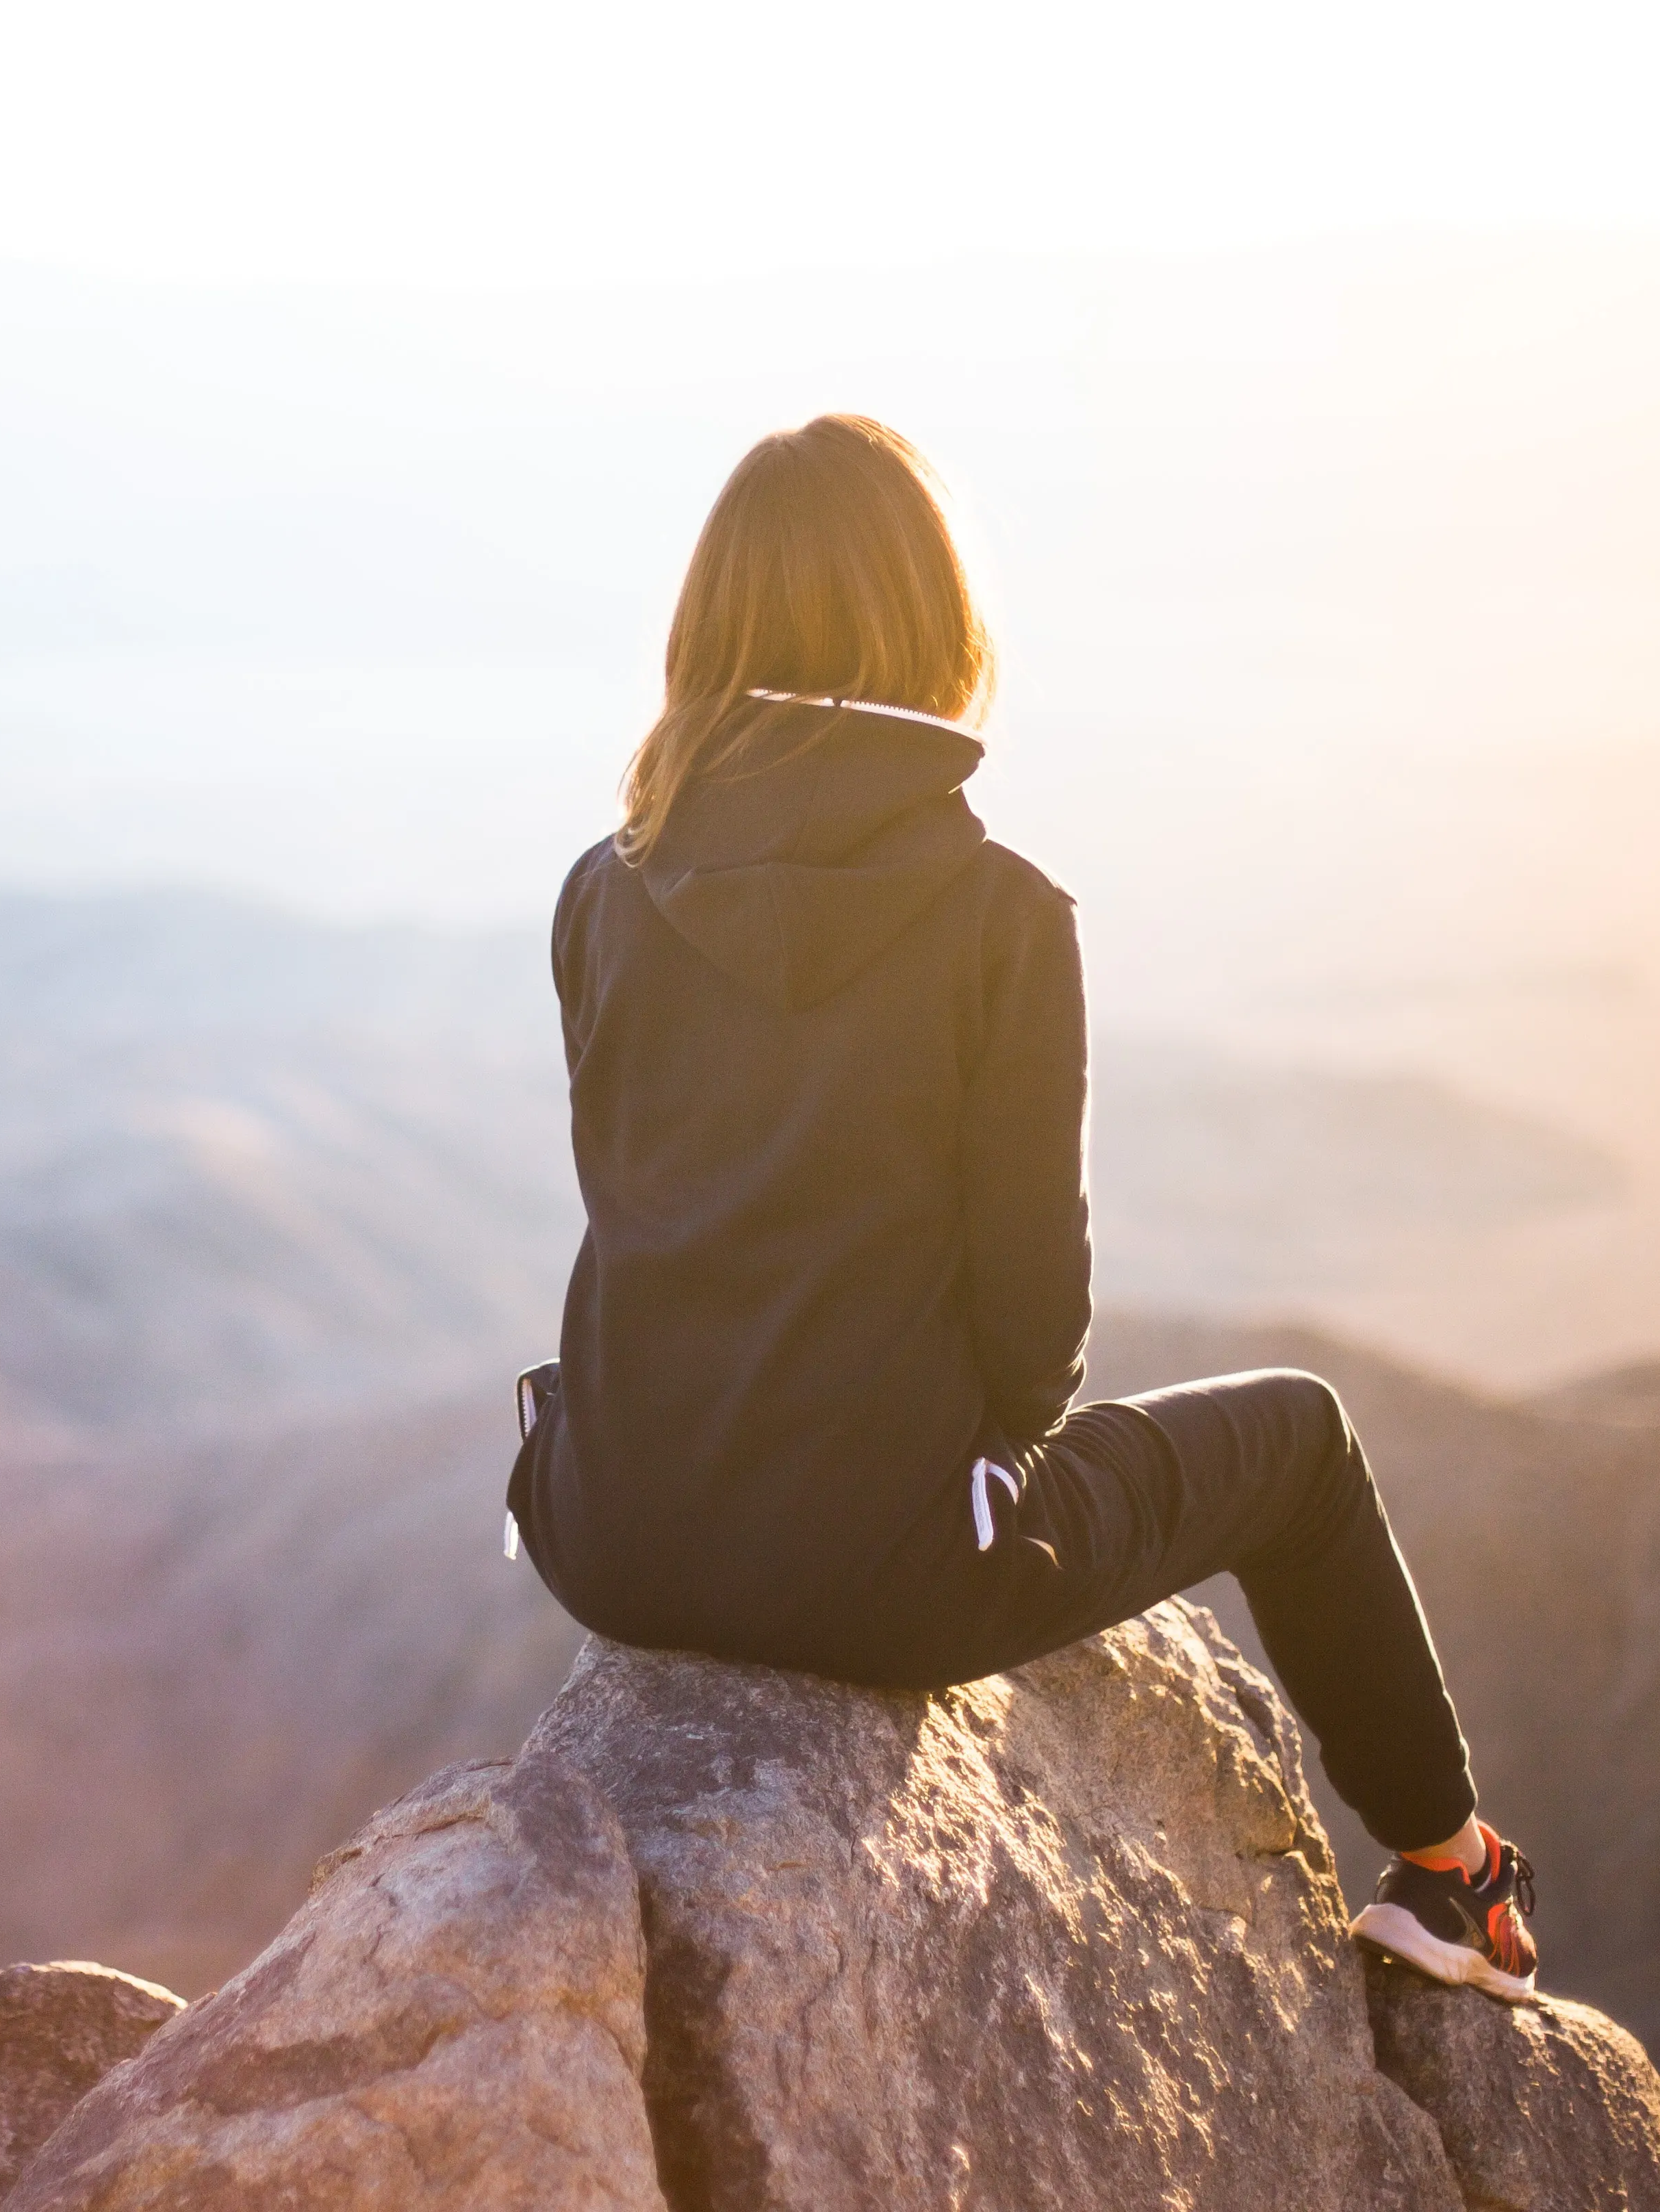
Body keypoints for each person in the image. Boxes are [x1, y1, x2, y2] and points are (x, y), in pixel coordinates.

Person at [502, 412, 1540, 2000]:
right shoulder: (999, 916)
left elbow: (638, 1202)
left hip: (608, 1531)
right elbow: (1036, 1334)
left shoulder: (603, 882)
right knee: (1306, 1440)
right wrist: (953, 1482)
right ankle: (1450, 1872)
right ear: (934, 625)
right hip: (887, 1577)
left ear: (707, 626)